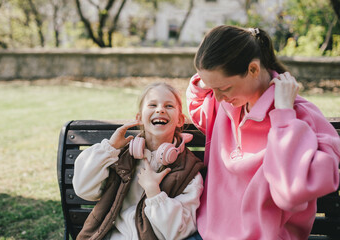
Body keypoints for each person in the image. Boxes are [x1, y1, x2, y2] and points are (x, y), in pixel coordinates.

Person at [186, 25, 340, 240]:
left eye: (225, 88)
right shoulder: (224, 105)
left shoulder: (301, 115)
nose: (218, 97)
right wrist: (209, 82)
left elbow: (292, 192)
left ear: (254, 69)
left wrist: (284, 117)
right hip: (206, 233)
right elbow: (196, 101)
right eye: (213, 89)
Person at [73, 82, 204, 240]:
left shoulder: (189, 171)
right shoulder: (120, 156)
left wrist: (154, 193)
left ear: (180, 120)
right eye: (152, 104)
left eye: (169, 106)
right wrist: (110, 148)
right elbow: (84, 189)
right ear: (139, 118)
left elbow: (179, 231)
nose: (160, 109)